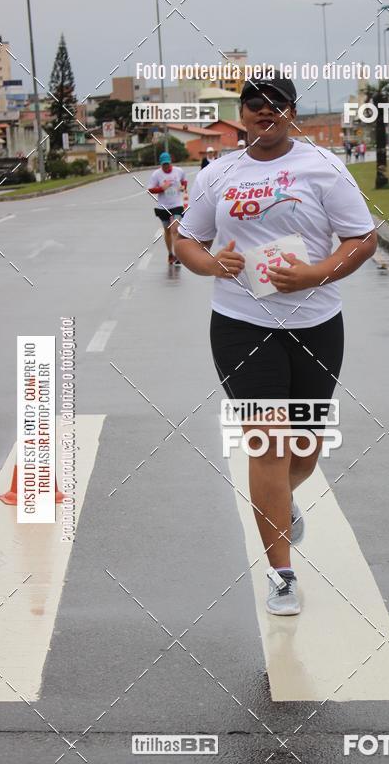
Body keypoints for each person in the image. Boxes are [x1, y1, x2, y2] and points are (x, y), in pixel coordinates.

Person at [175, 73, 377, 616]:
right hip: (240, 323)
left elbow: (363, 238)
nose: (265, 113)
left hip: (315, 325)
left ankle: (281, 502)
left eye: (277, 105)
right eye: (254, 105)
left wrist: (315, 274)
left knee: (305, 447)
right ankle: (281, 572)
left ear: (293, 113)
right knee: (267, 440)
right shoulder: (218, 174)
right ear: (242, 115)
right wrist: (210, 263)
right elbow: (186, 239)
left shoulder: (324, 169)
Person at [148, 151, 187, 265]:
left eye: (168, 164)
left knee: (175, 229)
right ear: (161, 164)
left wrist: (183, 186)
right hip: (163, 207)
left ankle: (177, 255)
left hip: (176, 205)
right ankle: (170, 254)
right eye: (164, 164)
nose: (166, 166)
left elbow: (184, 180)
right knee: (168, 231)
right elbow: (150, 189)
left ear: (171, 162)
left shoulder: (178, 171)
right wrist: (161, 188)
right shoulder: (156, 174)